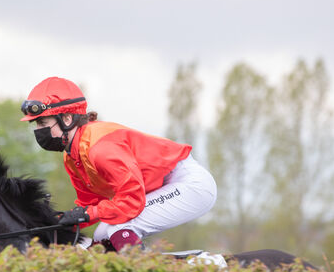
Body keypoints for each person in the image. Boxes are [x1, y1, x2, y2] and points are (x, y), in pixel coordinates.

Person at [20, 76, 217, 251]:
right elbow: (90, 205)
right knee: (101, 235)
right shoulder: (72, 156)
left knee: (118, 227)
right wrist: (60, 221)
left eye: (42, 123)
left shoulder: (100, 149)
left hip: (189, 184)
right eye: (36, 124)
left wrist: (87, 214)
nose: (38, 131)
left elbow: (131, 200)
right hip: (159, 188)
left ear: (67, 118)